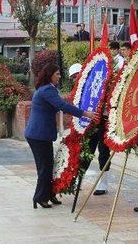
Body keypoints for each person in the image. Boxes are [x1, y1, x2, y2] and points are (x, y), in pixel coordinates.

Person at [25, 63, 95, 209]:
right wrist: (85, 113)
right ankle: (40, 197)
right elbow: (63, 106)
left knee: (48, 166)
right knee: (44, 167)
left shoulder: (48, 89)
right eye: (57, 73)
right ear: (50, 75)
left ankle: (49, 194)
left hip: (40, 134)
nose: (59, 76)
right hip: (38, 135)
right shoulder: (47, 90)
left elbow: (62, 103)